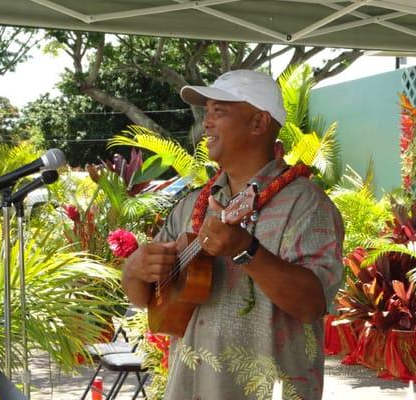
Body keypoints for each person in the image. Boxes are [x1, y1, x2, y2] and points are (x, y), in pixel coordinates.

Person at [121, 69, 344, 400]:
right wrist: (134, 268)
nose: (206, 122)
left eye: (219, 111)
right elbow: (145, 298)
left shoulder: (307, 204)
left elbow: (312, 303)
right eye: (207, 110)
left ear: (258, 123)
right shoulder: (191, 205)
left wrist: (246, 249)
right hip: (190, 389)